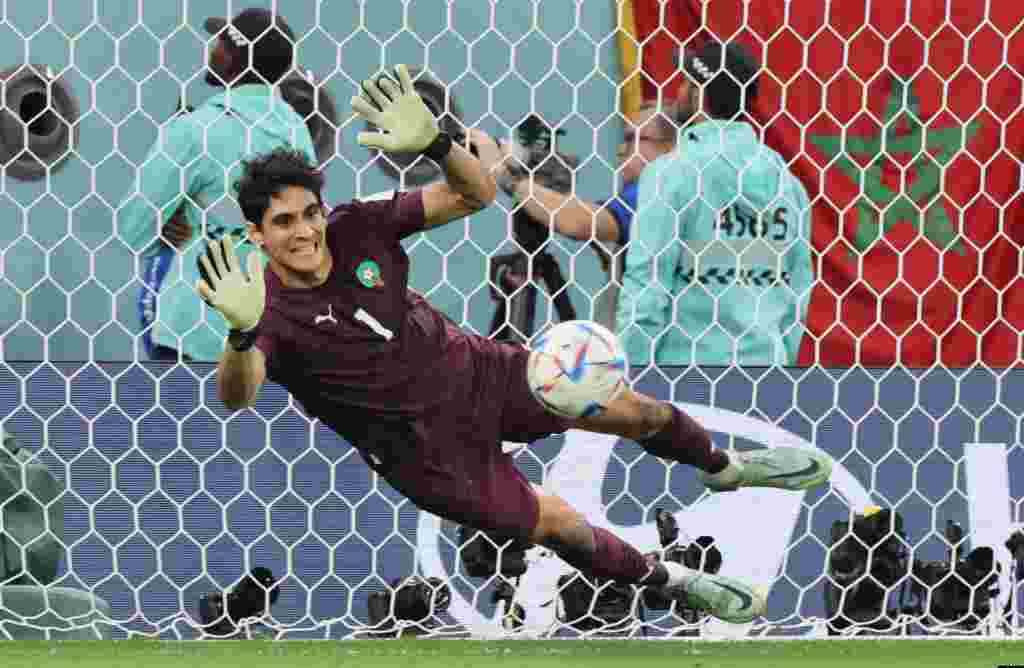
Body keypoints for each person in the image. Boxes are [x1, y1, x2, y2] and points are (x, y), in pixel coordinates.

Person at [196, 65, 834, 625]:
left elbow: (472, 194)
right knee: (556, 523)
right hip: (423, 453)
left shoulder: (358, 225)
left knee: (632, 410)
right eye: (284, 222)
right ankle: (676, 583)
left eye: (309, 213)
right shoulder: (261, 308)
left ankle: (724, 469)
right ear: (256, 235)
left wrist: (441, 145)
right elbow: (238, 395)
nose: (305, 231)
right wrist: (241, 331)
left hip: (478, 371)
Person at [117, 7, 315, 361]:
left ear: (235, 56)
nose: (211, 47)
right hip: (274, 335)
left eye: (220, 41)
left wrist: (172, 226)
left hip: (195, 334)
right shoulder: (297, 131)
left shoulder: (193, 130)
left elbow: (133, 229)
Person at [618, 41, 814, 367]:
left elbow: (647, 287)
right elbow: (798, 295)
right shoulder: (787, 182)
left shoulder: (672, 172)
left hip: (686, 378)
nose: (678, 90)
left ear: (698, 95)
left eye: (686, 83)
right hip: (766, 374)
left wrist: (629, 376)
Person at [480, 105, 677, 330]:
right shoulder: (647, 193)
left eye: (634, 138)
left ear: (669, 147)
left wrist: (503, 174)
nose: (622, 149)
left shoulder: (657, 192)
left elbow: (579, 223)